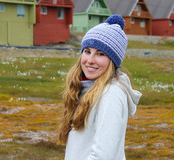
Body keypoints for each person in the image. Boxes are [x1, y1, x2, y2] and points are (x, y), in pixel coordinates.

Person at [59, 14, 142, 160]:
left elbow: (104, 155)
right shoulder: (86, 88)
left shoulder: (111, 94)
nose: (90, 60)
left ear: (113, 61)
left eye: (100, 54)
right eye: (87, 51)